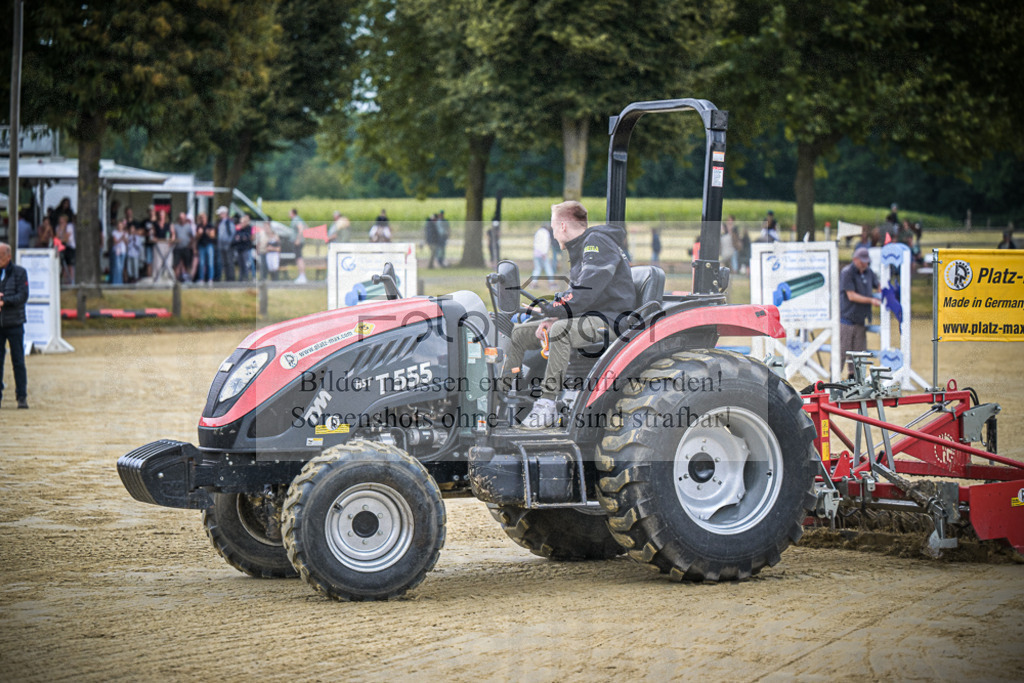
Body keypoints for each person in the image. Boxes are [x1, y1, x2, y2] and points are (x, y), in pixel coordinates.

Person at [503, 201, 635, 429]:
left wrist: (554, 311)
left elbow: (587, 291)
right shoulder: (582, 247)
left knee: (559, 331)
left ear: (563, 226)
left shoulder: (596, 243)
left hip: (612, 319)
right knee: (519, 333)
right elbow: (577, 294)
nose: (553, 235)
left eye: (554, 228)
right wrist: (550, 311)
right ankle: (504, 397)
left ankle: (547, 404)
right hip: (592, 315)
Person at [839, 247, 881, 379]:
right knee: (842, 351)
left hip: (860, 319)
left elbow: (878, 285)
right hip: (846, 318)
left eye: (866, 262)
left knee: (859, 353)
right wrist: (871, 300)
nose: (865, 264)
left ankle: (854, 378)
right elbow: (851, 296)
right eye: (862, 261)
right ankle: (833, 377)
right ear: (855, 259)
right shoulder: (847, 272)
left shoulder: (869, 272)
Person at [0, 242, 30, 409]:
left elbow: (23, 296)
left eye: (0, 257)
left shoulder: (20, 273)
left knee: (18, 361)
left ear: (8, 257)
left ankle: (21, 396)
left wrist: (4, 301)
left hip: (15, 323)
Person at [172, 212, 195, 282]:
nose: (182, 219)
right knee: (176, 264)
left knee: (188, 265)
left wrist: (190, 245)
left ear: (185, 218)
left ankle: (189, 279)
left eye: (183, 218)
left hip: (186, 248)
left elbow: (192, 237)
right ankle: (176, 280)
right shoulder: (175, 226)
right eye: (180, 218)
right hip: (177, 248)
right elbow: (173, 235)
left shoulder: (188, 226)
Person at [232, 214, 254, 281]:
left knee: (246, 264)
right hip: (239, 249)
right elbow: (236, 238)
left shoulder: (249, 228)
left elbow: (246, 237)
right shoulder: (238, 229)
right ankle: (241, 278)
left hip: (246, 249)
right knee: (240, 264)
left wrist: (241, 237)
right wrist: (241, 238)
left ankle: (246, 277)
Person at [215, 206, 235, 282]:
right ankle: (227, 277)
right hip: (221, 245)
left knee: (229, 261)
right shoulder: (220, 223)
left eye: (221, 213)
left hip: (228, 245)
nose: (220, 215)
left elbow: (232, 233)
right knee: (224, 262)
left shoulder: (229, 222)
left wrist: (229, 243)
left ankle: (231, 277)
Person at [195, 212, 215, 284]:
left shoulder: (210, 225)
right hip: (201, 245)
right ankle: (201, 279)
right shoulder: (199, 226)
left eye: (204, 217)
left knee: (210, 262)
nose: (203, 219)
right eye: (201, 218)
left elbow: (213, 236)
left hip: (209, 245)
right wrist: (199, 234)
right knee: (201, 263)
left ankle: (210, 278)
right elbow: (196, 237)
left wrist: (208, 232)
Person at [56, 214, 76, 284]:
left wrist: (64, 230)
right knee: (64, 266)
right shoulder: (58, 227)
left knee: (70, 265)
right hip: (63, 247)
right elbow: (57, 238)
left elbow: (66, 239)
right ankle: (65, 281)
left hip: (70, 247)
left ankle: (72, 281)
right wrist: (60, 229)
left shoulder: (69, 227)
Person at [290, 208, 307, 283]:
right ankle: (301, 275)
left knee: (299, 259)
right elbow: (306, 227)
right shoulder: (299, 219)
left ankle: (302, 276)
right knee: (298, 258)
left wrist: (298, 239)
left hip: (298, 242)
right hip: (299, 241)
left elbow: (301, 228)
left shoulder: (296, 219)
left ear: (293, 213)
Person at [110, 218, 128, 285]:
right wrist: (121, 238)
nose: (119, 226)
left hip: (123, 251)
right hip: (116, 251)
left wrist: (125, 237)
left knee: (121, 268)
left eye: (121, 225)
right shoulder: (114, 232)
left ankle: (120, 282)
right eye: (118, 225)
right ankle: (115, 283)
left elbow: (126, 243)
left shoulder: (124, 233)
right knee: (117, 267)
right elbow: (115, 242)